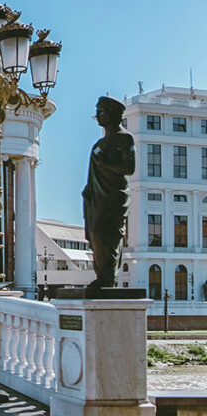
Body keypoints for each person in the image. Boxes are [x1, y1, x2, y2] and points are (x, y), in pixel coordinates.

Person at [82, 96, 135, 291]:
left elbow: (129, 168)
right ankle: (102, 277)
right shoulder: (98, 144)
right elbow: (91, 173)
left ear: (112, 114)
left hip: (113, 197)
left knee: (108, 235)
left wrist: (104, 163)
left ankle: (107, 280)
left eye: (101, 111)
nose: (97, 115)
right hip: (96, 196)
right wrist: (87, 192)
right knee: (95, 234)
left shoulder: (124, 138)